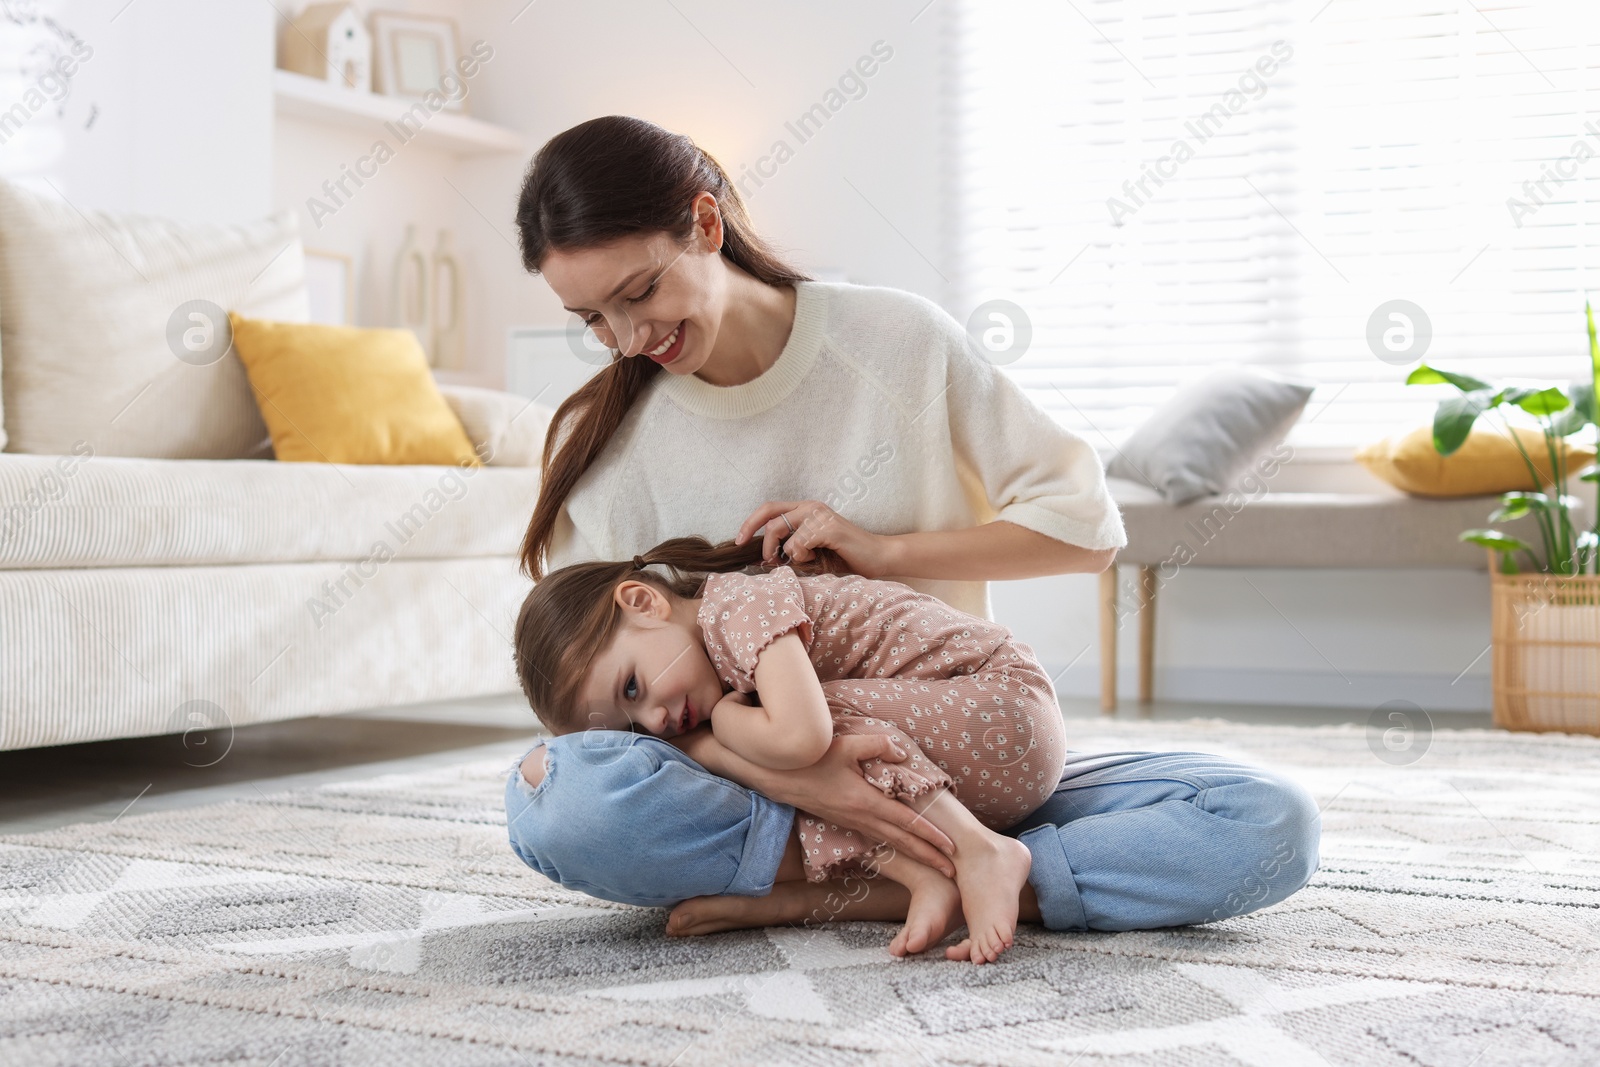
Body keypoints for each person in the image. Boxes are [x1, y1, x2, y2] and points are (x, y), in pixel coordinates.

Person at [503, 114, 1321, 947]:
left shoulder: (898, 342)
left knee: (1268, 822)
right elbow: (592, 725)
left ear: (706, 224)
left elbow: (1087, 532)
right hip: (757, 791)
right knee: (550, 799)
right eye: (593, 320)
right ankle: (959, 865)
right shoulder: (598, 443)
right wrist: (799, 772)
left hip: (960, 752)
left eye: (639, 292)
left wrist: (885, 551)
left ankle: (855, 887)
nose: (630, 339)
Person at [513, 534, 1076, 963]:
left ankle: (981, 850)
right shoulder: (714, 656)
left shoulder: (735, 608)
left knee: (795, 741)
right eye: (634, 726)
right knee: (773, 776)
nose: (657, 722)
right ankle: (922, 873)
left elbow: (804, 737)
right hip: (977, 759)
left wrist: (729, 725)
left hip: (1003, 704)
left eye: (632, 688)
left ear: (643, 601)